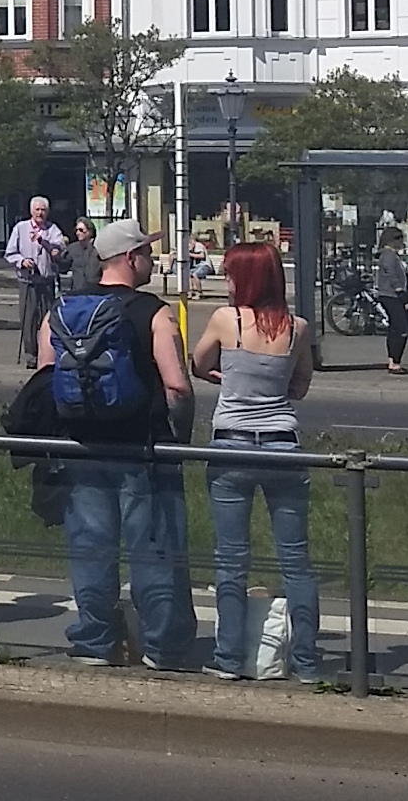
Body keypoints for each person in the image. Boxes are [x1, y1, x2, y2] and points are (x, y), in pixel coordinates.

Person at [37, 216, 195, 670]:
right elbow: (177, 386)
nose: (151, 259)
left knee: (91, 547)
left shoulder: (63, 309)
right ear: (130, 258)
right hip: (143, 449)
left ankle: (94, 640)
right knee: (156, 548)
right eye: (146, 252)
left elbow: (45, 376)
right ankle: (165, 648)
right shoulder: (153, 311)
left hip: (81, 447)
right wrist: (178, 435)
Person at [190, 241, 321, 681]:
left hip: (231, 445)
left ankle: (228, 658)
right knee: (296, 561)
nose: (226, 281)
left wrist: (223, 376)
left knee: (231, 558)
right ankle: (306, 662)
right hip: (283, 444)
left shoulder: (228, 320)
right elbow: (300, 387)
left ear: (243, 278)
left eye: (230, 274)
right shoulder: (298, 328)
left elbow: (198, 361)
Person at [4, 196, 66, 367]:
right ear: (31, 211)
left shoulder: (52, 229)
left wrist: (52, 248)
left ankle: (47, 354)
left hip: (46, 280)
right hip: (27, 281)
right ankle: (31, 355)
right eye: (37, 209)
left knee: (48, 319)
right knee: (28, 318)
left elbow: (59, 247)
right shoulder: (20, 228)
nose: (40, 213)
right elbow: (9, 253)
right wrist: (21, 261)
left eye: (43, 210)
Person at [373, 222, 408, 373]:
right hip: (391, 295)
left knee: (395, 328)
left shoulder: (391, 255)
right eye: (399, 239)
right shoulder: (389, 255)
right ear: (391, 240)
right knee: (400, 329)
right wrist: (402, 296)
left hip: (390, 295)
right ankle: (394, 362)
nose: (401, 242)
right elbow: (393, 276)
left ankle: (393, 360)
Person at [57, 217, 101, 300]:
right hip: (77, 292)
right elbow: (63, 267)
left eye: (81, 230)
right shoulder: (73, 248)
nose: (78, 233)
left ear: (90, 231)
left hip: (95, 293)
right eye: (76, 230)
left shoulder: (99, 248)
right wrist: (57, 257)